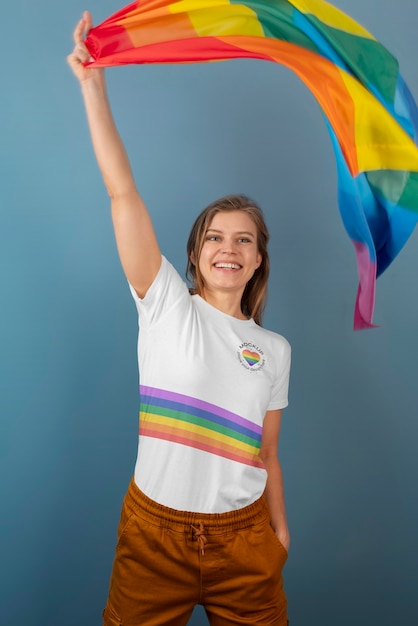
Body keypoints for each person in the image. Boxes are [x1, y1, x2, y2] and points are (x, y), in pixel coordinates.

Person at [68, 11, 291, 626]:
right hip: (153, 538)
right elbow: (122, 193)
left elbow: (267, 451)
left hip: (245, 543)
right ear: (194, 254)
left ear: (257, 261)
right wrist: (93, 86)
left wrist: (278, 532)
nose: (229, 248)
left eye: (244, 241)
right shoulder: (164, 302)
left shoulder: (274, 349)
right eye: (215, 237)